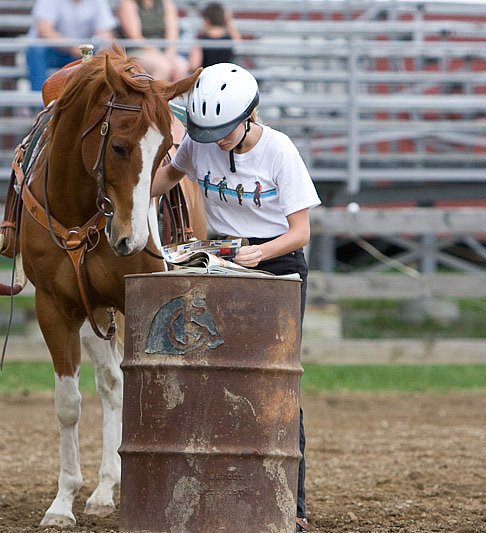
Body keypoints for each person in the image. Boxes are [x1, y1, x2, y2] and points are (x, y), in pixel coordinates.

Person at [152, 63, 320, 533]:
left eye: (224, 131)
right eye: (208, 131)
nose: (216, 140)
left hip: (278, 265)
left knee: (274, 383)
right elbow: (165, 179)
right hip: (220, 258)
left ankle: (294, 505)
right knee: (207, 374)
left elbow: (301, 232)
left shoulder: (280, 150)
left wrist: (259, 254)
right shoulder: (199, 142)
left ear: (250, 117)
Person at [25, 0, 117, 91]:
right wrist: (73, 47)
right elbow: (44, 31)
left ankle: (90, 100)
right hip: (53, 52)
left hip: (81, 53)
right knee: (36, 50)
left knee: (105, 53)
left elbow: (105, 33)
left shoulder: (98, 2)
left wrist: (94, 44)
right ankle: (39, 101)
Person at [116, 0, 188, 81]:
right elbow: (135, 37)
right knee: (163, 67)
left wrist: (169, 54)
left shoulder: (167, 4)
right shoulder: (128, 3)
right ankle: (151, 93)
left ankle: (175, 93)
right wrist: (160, 56)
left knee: (181, 66)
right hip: (137, 51)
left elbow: (172, 36)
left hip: (162, 52)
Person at [188, 2, 241, 71]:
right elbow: (239, 43)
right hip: (227, 76)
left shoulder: (201, 40)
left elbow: (193, 65)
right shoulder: (230, 38)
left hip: (207, 78)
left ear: (206, 20)